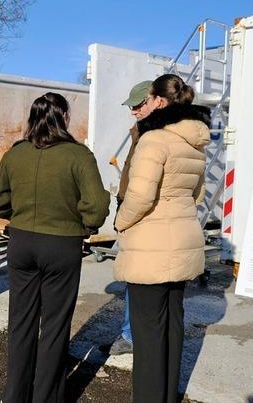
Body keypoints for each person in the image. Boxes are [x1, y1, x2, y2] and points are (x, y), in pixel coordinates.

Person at [0, 92, 110, 402]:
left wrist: (19, 213)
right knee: (55, 325)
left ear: (33, 118)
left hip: (22, 242)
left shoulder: (16, 153)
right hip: (62, 246)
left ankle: (15, 395)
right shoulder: (79, 155)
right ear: (64, 118)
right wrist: (83, 225)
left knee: (21, 322)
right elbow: (95, 207)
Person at [114, 74, 210, 403]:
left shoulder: (153, 141)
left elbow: (139, 198)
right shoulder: (193, 143)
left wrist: (119, 221)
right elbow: (196, 196)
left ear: (158, 101)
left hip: (151, 249)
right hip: (182, 243)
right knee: (172, 326)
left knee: (148, 333)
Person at [109, 80, 155, 356]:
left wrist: (125, 216)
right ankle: (131, 333)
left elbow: (145, 186)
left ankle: (132, 335)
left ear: (155, 101)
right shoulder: (141, 131)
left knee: (140, 277)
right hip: (130, 210)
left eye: (138, 105)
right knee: (133, 277)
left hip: (142, 217)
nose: (133, 111)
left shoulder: (157, 135)